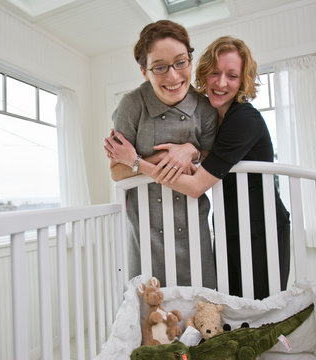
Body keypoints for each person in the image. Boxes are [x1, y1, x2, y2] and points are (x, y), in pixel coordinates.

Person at [105, 36, 290, 299]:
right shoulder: (216, 116)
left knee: (262, 310)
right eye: (215, 73)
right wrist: (191, 150)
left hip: (260, 224)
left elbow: (195, 185)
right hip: (229, 223)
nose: (221, 82)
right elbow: (210, 156)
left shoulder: (243, 119)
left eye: (232, 76)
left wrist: (136, 162)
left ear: (243, 80)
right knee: (233, 309)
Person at [107, 20, 218, 288]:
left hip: (194, 225)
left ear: (190, 61)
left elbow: (211, 159)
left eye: (181, 62)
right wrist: (162, 159)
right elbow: (117, 172)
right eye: (159, 67)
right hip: (146, 229)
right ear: (144, 71)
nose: (173, 77)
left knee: (203, 313)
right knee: (150, 315)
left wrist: (191, 151)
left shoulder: (205, 109)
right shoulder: (132, 105)